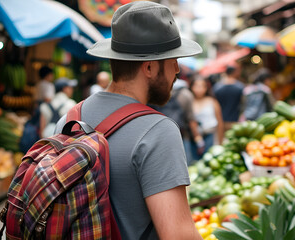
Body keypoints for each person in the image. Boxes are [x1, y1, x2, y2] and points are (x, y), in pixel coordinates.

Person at [54, 2, 203, 239]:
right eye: (172, 60)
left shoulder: (69, 119)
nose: (177, 69)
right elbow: (178, 235)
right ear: (150, 68)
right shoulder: (158, 131)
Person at [190, 76, 224, 160]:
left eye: (202, 86)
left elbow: (220, 122)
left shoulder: (212, 101)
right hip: (193, 138)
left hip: (210, 135)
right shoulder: (189, 102)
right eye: (196, 86)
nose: (199, 89)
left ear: (206, 88)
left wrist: (220, 142)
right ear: (191, 87)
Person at [213, 64, 245, 131]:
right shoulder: (240, 87)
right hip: (235, 121)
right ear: (234, 72)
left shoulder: (217, 87)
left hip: (220, 122)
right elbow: (243, 104)